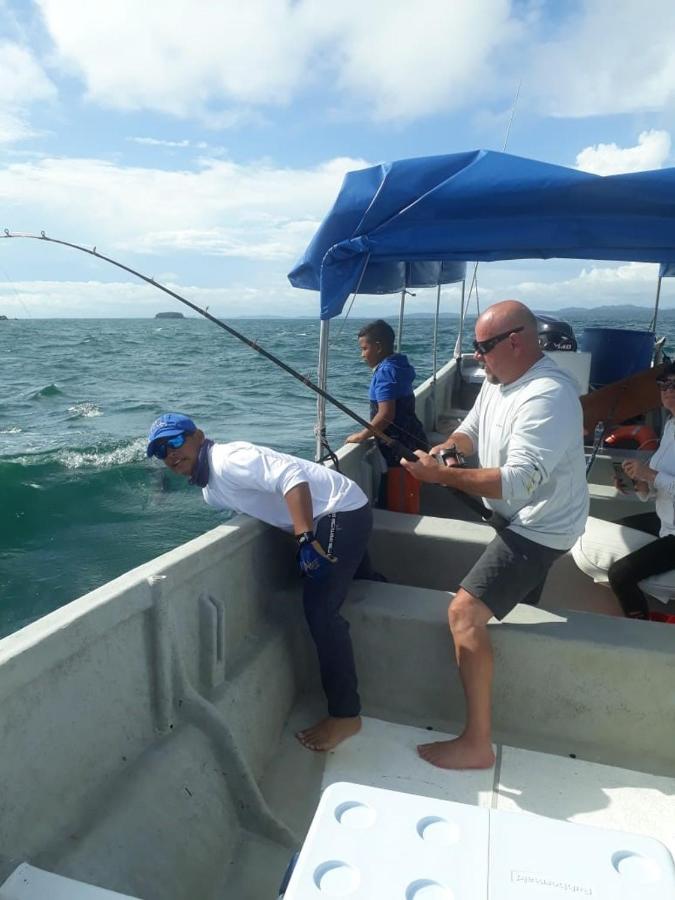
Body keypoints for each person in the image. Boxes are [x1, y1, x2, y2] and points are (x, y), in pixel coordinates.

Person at [401, 300, 589, 770]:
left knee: (464, 614)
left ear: (517, 341)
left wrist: (441, 479)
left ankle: (476, 744)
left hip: (541, 527)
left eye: (483, 347)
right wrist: (447, 450)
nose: (476, 357)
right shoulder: (499, 381)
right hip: (518, 517)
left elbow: (518, 481)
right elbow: (469, 429)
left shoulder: (547, 394)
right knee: (523, 606)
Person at [146, 412, 373, 752]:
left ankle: (346, 715)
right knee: (322, 578)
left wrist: (306, 539)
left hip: (341, 511)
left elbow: (292, 477)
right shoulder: (212, 492)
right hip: (332, 511)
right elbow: (266, 510)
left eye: (175, 441)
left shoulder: (228, 460)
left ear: (198, 436)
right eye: (161, 451)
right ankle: (369, 575)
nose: (171, 454)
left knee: (320, 612)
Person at [607, 362, 675, 619]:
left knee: (619, 574)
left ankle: (640, 632)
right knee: (617, 527)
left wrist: (650, 474)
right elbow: (661, 486)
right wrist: (640, 484)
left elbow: (661, 477)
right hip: (666, 519)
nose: (668, 389)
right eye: (663, 384)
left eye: (674, 384)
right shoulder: (670, 426)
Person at [345, 319, 428, 467]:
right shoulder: (399, 364)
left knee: (400, 486)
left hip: (398, 447)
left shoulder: (386, 372)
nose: (362, 355)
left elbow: (386, 415)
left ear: (378, 347)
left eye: (364, 348)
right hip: (413, 437)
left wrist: (362, 435)